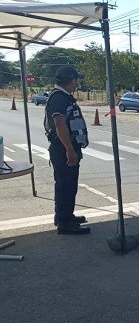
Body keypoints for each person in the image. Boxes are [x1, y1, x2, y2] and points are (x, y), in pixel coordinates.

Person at [43, 65, 90, 234]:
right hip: (63, 149)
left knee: (67, 185)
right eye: (76, 80)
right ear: (70, 80)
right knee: (66, 185)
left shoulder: (64, 96)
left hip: (65, 148)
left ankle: (65, 215)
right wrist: (70, 149)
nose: (77, 83)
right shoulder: (60, 98)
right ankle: (65, 222)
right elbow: (59, 124)